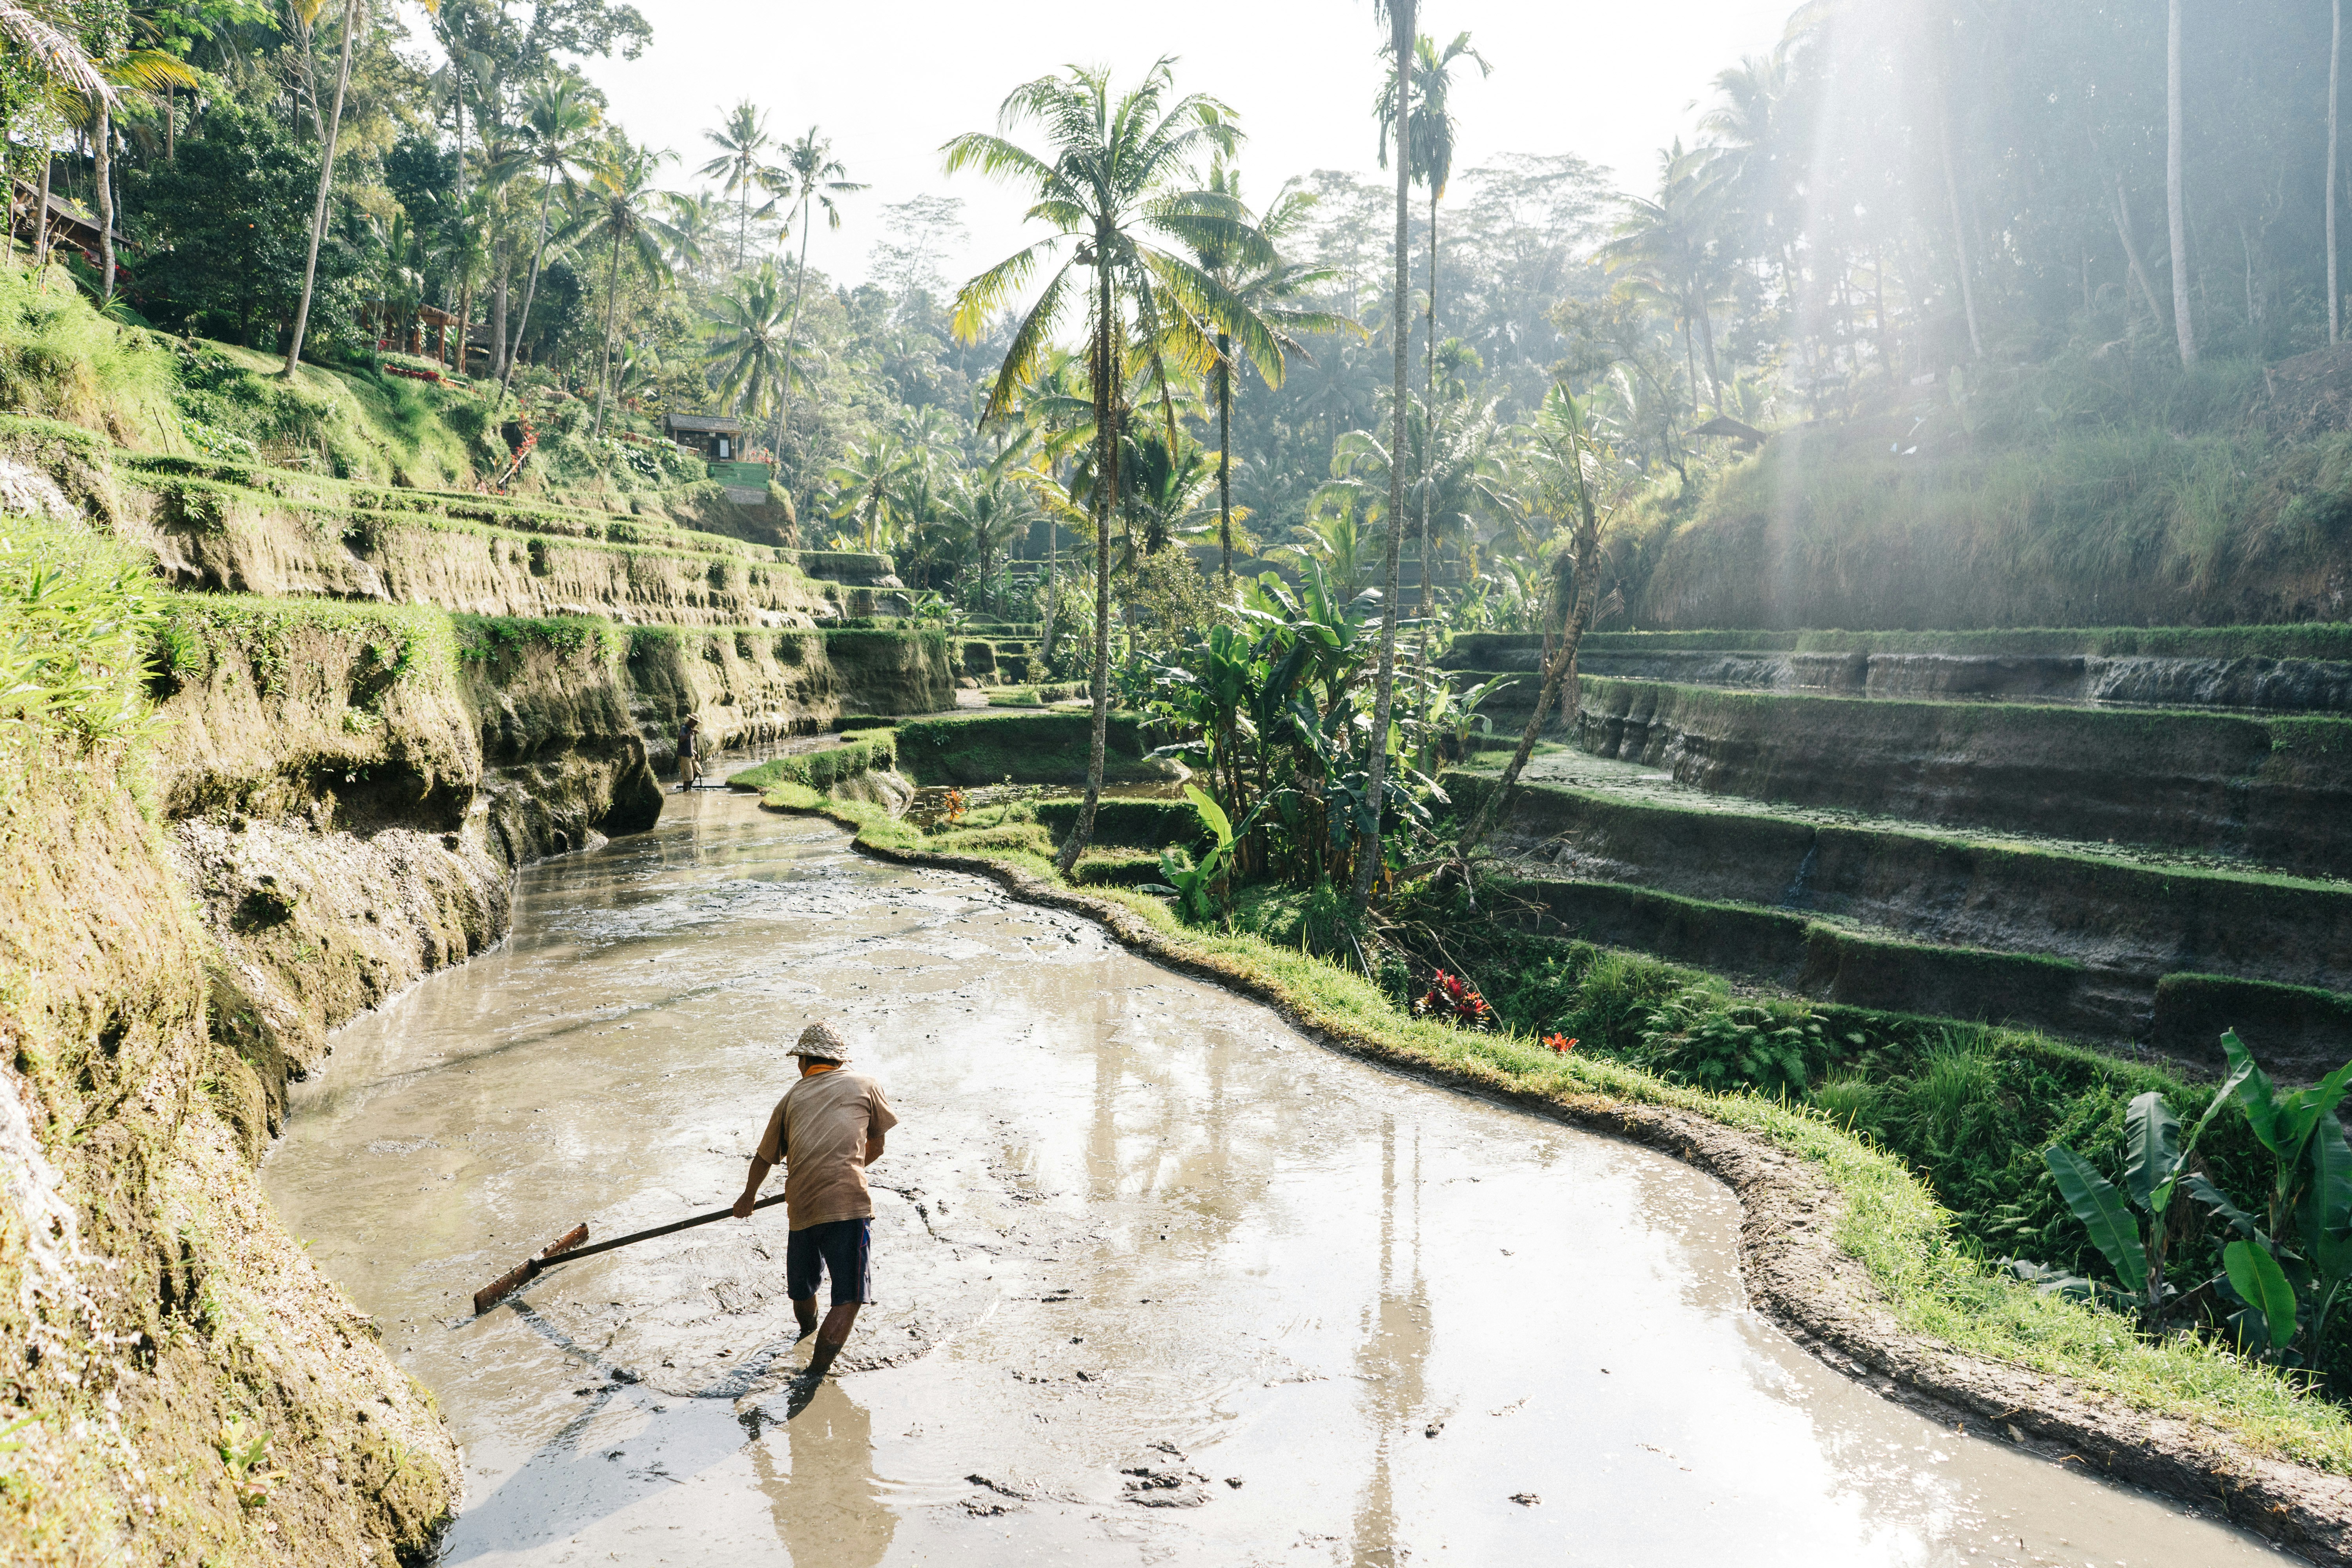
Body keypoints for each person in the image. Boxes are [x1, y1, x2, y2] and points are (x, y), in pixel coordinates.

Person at [733, 1021, 897, 1381]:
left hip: (801, 1206)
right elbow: (878, 1146)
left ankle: (806, 1333)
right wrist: (846, 1168)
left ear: (804, 1061)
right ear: (837, 1062)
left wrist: (748, 1198)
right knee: (849, 1297)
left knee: (803, 1285)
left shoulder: (790, 1098)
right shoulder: (867, 1085)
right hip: (848, 1204)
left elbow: (763, 1158)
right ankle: (815, 1375)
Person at [675, 714, 702, 791]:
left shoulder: (690, 730)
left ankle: (689, 787)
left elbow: (689, 744)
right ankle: (686, 792)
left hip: (691, 755)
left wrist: (695, 753)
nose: (696, 725)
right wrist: (691, 732)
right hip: (684, 756)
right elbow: (682, 740)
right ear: (691, 721)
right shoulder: (684, 728)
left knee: (698, 770)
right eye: (695, 722)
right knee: (688, 778)